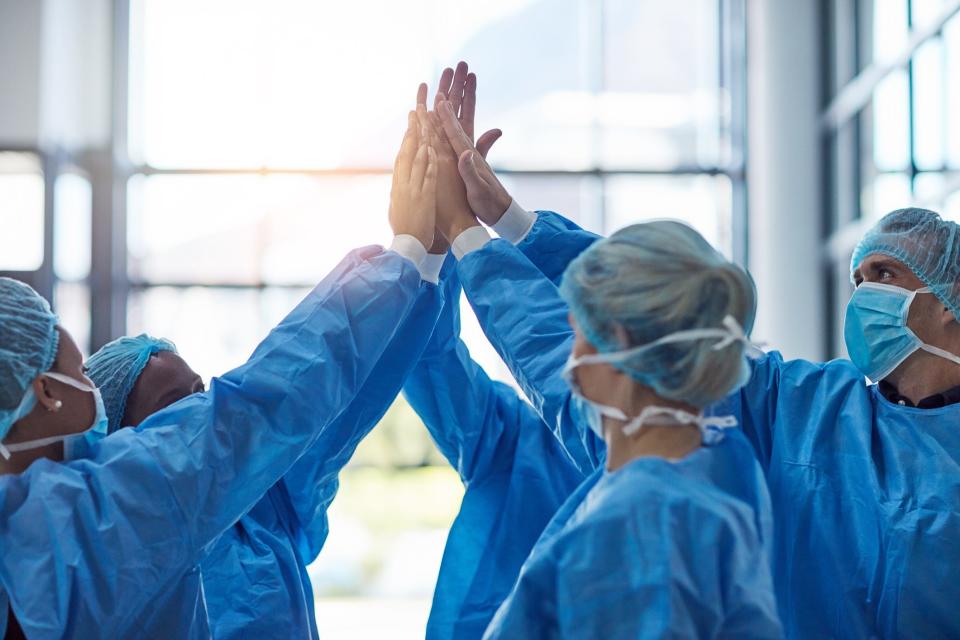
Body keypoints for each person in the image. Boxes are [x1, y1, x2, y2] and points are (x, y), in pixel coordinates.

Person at [434, 95, 960, 638]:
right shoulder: (813, 409)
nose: (863, 295)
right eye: (858, 279)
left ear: (950, 298)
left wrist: (459, 238)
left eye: (886, 275)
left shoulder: (657, 508)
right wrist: (506, 221)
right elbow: (659, 308)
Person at [0, 114, 438, 638]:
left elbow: (334, 410)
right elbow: (254, 408)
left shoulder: (249, 513)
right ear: (46, 391)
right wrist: (406, 252)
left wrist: (425, 263)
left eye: (200, 395)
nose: (196, 414)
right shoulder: (104, 517)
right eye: (78, 371)